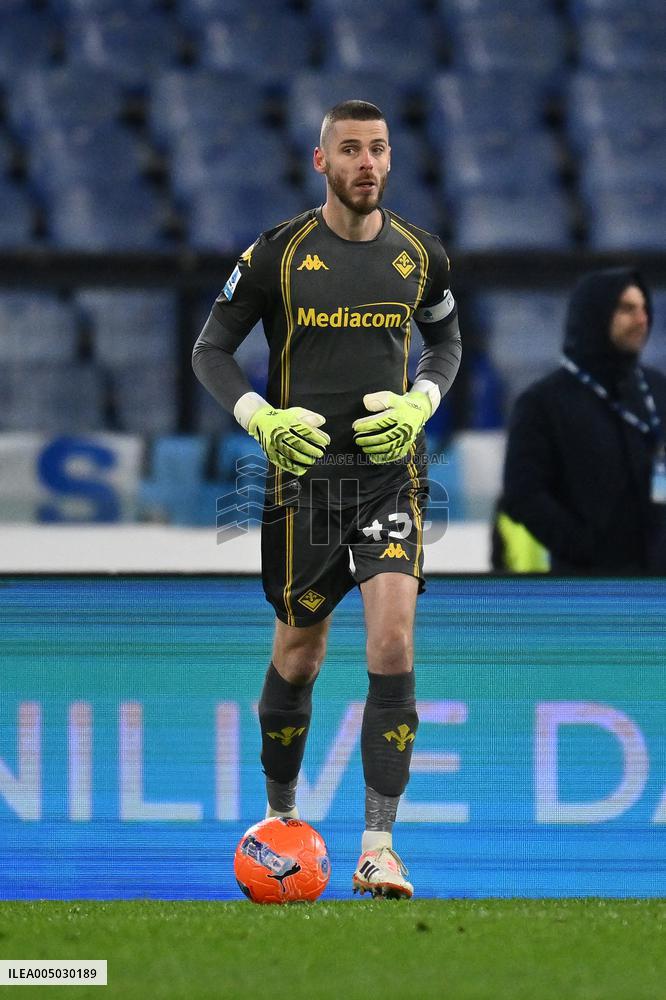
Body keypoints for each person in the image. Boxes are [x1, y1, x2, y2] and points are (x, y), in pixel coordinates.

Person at [192, 100, 462, 898]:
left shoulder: (421, 255)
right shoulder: (276, 254)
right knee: (299, 656)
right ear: (322, 162)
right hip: (303, 482)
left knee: (393, 643)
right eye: (350, 149)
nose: (366, 163)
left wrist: (420, 403)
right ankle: (281, 822)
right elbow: (211, 349)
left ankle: (379, 847)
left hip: (388, 476)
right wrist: (260, 418)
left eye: (377, 148)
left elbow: (447, 341)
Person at [498, 267, 666, 574]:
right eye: (627, 309)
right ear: (595, 313)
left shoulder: (658, 389)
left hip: (659, 583)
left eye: (644, 309)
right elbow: (523, 495)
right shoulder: (542, 402)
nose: (642, 319)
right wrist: (585, 549)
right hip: (586, 587)